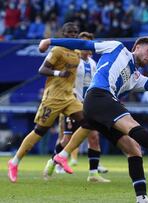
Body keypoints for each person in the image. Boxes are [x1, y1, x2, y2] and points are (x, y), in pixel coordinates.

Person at [38, 36, 148, 203]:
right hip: (98, 96)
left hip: (98, 105)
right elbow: (84, 43)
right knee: (132, 126)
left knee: (134, 149)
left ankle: (142, 199)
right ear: (137, 46)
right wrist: (50, 41)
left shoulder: (136, 78)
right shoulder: (116, 47)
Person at [7, 22, 91, 183]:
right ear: (63, 34)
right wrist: (59, 73)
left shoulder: (78, 53)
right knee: (40, 131)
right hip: (52, 97)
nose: (73, 34)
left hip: (69, 97)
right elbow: (42, 70)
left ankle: (62, 156)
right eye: (69, 32)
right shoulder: (57, 50)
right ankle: (14, 161)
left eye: (75, 32)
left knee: (89, 122)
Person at [43, 32, 109, 182]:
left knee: (94, 137)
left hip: (88, 106)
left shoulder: (93, 63)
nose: (86, 48)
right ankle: (52, 162)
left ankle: (93, 174)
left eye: (88, 44)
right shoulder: (74, 61)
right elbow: (66, 81)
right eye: (83, 43)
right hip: (72, 104)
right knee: (67, 139)